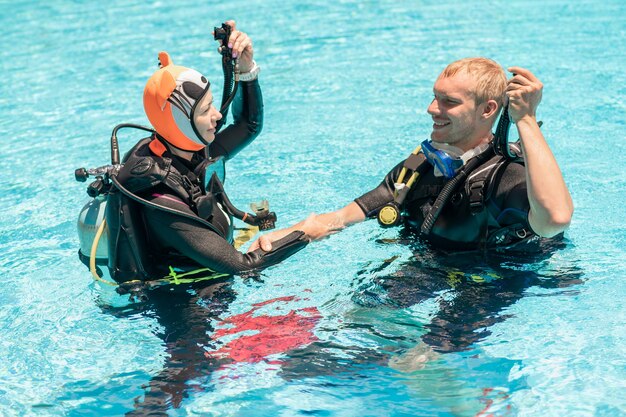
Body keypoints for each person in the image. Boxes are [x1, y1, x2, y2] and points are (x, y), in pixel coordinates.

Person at [250, 58, 573, 253]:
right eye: (435, 98)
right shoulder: (417, 168)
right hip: (431, 266)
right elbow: (339, 219)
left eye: (449, 102)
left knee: (421, 359)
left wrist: (526, 120)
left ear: (488, 110)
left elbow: (554, 221)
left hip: (493, 281)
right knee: (354, 323)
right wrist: (282, 237)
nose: (432, 109)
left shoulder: (507, 176)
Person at [105, 21, 308, 284]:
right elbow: (242, 265)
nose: (218, 115)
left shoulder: (188, 147)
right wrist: (309, 231)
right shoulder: (159, 196)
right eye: (205, 111)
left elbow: (248, 124)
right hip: (184, 304)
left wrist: (245, 69)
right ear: (179, 121)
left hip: (212, 278)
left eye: (211, 105)